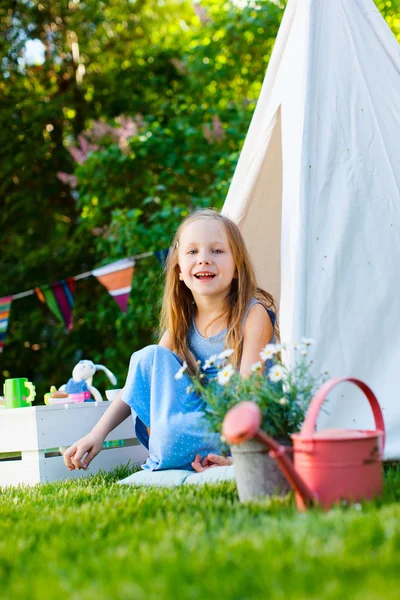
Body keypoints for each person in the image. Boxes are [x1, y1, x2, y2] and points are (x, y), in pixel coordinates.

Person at [63, 208, 278, 474]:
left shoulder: (252, 315)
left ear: (237, 268)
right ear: (179, 271)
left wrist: (240, 456)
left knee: (176, 432)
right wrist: (96, 435)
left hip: (240, 427)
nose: (204, 260)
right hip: (191, 426)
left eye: (217, 251)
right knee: (148, 356)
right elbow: (137, 384)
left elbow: (250, 394)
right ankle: (177, 449)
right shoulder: (183, 323)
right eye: (192, 252)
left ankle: (201, 453)